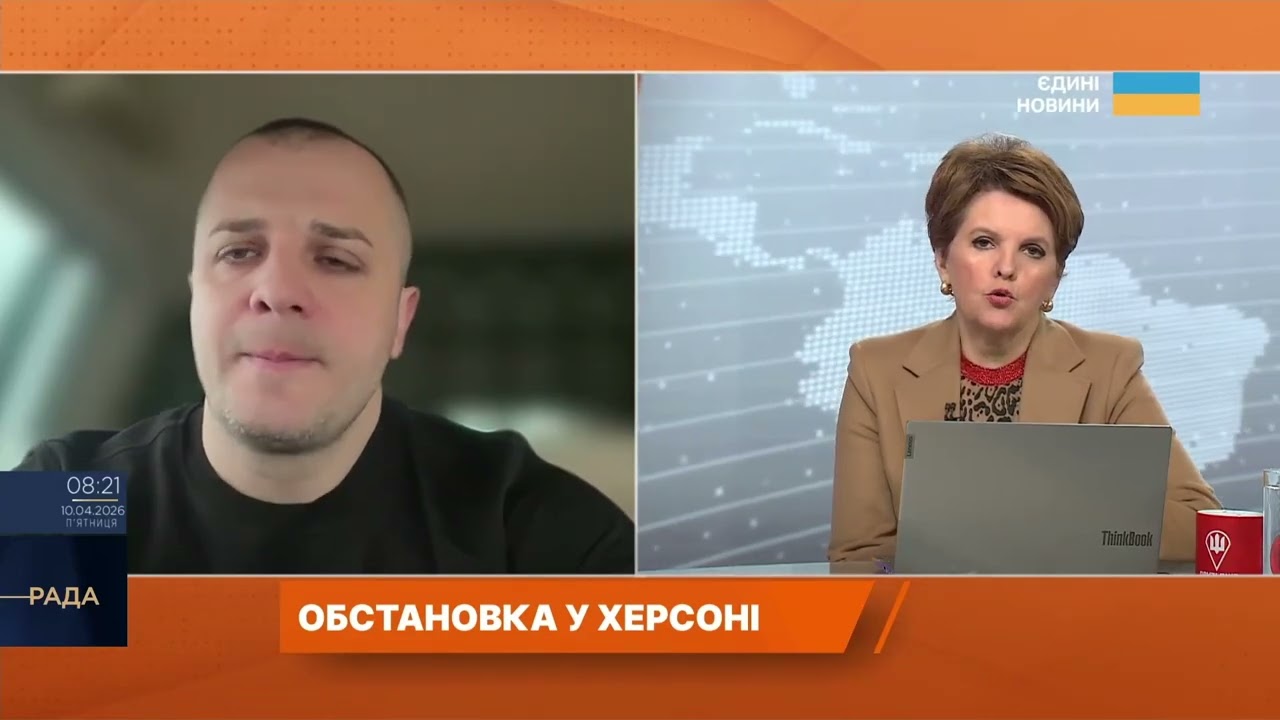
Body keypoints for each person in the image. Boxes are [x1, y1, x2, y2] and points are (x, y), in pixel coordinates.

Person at [14, 117, 636, 575]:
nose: (277, 291)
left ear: (400, 322)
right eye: (239, 252)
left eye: (336, 259)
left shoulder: (517, 526)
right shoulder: (71, 494)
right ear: (196, 296)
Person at [828, 133, 1221, 565]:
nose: (1006, 267)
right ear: (942, 259)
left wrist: (1038, 519)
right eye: (984, 242)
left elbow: (1202, 524)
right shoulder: (875, 371)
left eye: (1032, 250)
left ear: (1054, 279)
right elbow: (860, 555)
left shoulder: (1110, 369)